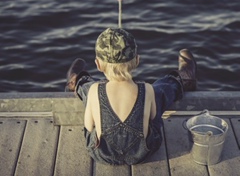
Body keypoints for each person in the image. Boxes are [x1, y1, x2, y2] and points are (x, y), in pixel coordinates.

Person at [65, 27, 197, 165]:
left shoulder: (94, 90)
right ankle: (180, 79)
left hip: (102, 154)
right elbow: (153, 118)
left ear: (98, 64)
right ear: (137, 60)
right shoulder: (147, 89)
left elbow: (89, 126)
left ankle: (78, 81)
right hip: (143, 153)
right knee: (157, 94)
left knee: (91, 92)